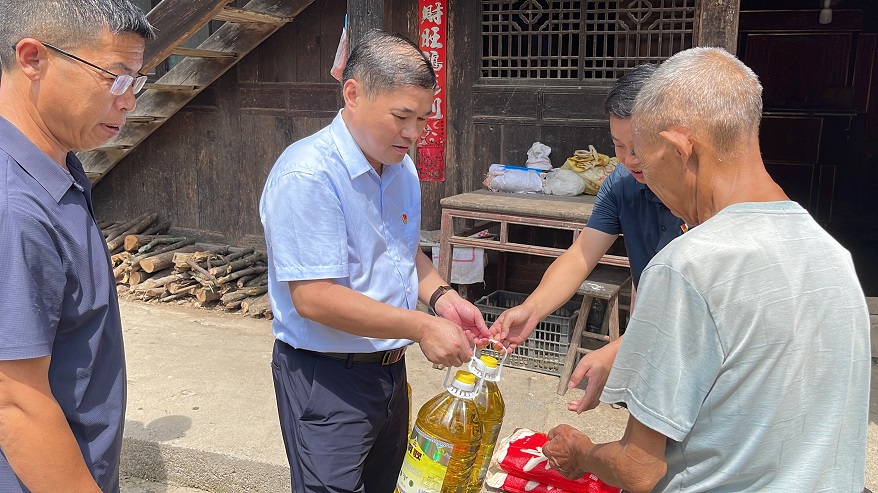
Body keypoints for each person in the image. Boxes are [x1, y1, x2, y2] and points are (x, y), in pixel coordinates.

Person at [540, 47, 871, 492]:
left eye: (647, 161)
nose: (644, 177)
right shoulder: (833, 254)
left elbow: (639, 469)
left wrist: (581, 453)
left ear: (680, 149)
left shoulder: (687, 266)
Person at [259, 29, 490, 492]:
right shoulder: (309, 174)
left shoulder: (401, 169)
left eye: (422, 118)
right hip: (326, 377)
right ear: (353, 94)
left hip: (388, 370)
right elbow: (314, 298)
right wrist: (422, 327)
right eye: (402, 116)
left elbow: (401, 251)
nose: (414, 134)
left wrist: (443, 299)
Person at [0, 1, 154, 492]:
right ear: (33, 59)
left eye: (136, 81)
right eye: (115, 77)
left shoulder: (56, 164)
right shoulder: (14, 207)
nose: (128, 101)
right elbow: (15, 401)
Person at [491, 63, 685, 412]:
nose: (630, 159)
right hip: (651, 336)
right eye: (619, 145)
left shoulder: (702, 196)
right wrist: (531, 310)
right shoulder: (621, 184)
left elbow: (693, 309)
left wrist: (619, 350)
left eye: (640, 146)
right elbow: (581, 255)